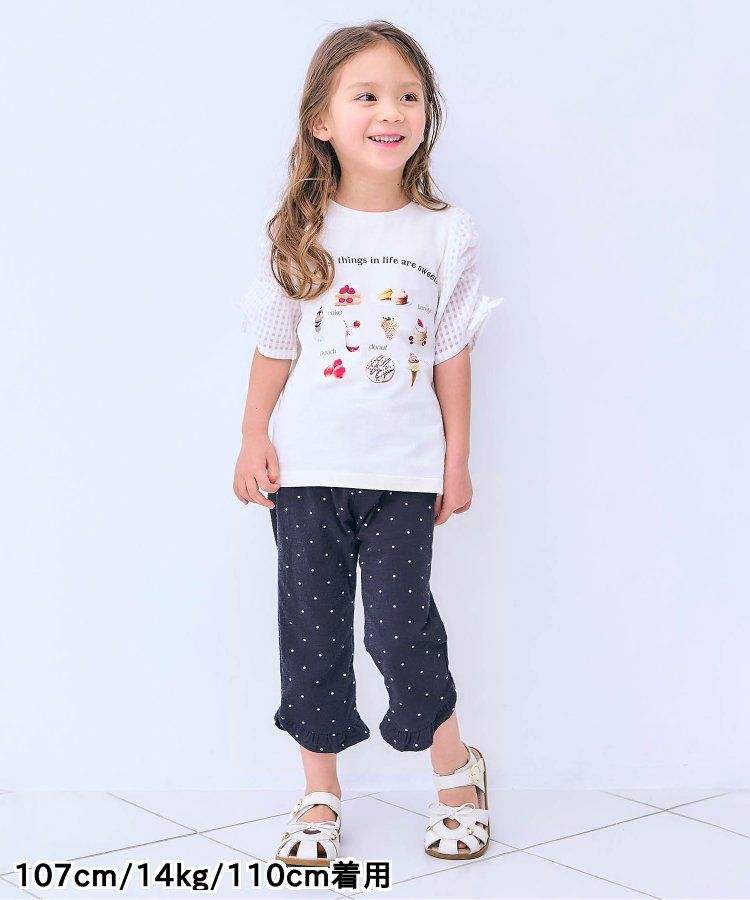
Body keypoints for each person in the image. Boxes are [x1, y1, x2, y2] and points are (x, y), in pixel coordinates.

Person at [233, 19, 502, 866]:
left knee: (398, 631)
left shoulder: (443, 231)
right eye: (368, 96)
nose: (391, 112)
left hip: (404, 475)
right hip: (307, 470)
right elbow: (274, 344)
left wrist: (457, 460)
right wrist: (251, 436)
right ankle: (319, 794)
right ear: (321, 119)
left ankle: (456, 774)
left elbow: (451, 351)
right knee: (312, 636)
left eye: (408, 96)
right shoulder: (299, 229)